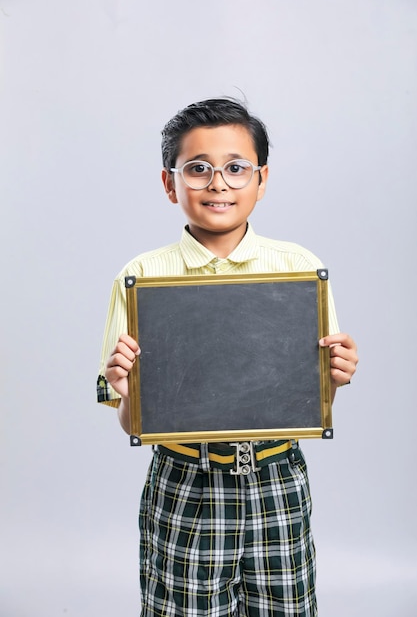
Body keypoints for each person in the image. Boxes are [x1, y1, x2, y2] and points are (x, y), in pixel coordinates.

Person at [97, 98, 358, 617]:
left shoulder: (299, 268)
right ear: (170, 183)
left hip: (276, 480)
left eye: (236, 169)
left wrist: (337, 374)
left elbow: (308, 391)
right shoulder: (142, 277)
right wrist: (125, 391)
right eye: (198, 169)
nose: (218, 184)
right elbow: (130, 419)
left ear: (261, 179)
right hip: (185, 484)